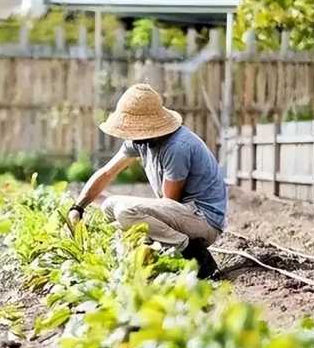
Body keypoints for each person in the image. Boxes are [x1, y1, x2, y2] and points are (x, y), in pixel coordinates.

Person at [67, 83, 227, 279]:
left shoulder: (177, 147)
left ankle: (194, 254)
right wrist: (78, 208)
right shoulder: (141, 142)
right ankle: (157, 252)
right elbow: (107, 172)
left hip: (203, 221)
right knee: (109, 206)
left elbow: (170, 202)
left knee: (126, 213)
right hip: (181, 214)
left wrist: (125, 227)